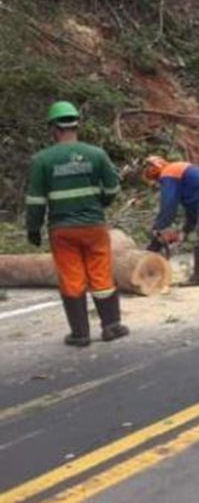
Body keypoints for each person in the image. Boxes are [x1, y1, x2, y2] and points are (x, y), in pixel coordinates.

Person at [24, 102, 129, 346]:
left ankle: (80, 334)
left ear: (53, 128)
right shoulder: (96, 154)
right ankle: (111, 326)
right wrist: (99, 203)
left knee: (72, 277)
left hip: (62, 229)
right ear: (76, 124)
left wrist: (33, 228)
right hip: (93, 226)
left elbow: (36, 200)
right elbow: (113, 187)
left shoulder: (42, 159)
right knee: (101, 274)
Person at [143, 156, 199, 286]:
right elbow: (191, 210)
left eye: (158, 181)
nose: (160, 184)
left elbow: (169, 205)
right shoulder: (180, 173)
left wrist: (158, 229)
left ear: (155, 171)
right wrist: (185, 231)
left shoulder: (168, 174)